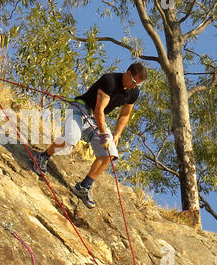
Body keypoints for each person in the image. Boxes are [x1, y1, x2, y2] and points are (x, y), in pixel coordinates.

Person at [34, 62, 147, 208]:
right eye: (133, 82)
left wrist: (117, 134)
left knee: (110, 154)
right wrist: (104, 134)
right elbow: (99, 109)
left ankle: (83, 187)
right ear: (127, 74)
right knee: (71, 138)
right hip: (80, 108)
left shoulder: (133, 92)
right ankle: (42, 157)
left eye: (137, 85)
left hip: (95, 119)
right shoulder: (110, 80)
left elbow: (125, 114)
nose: (134, 86)